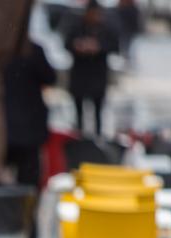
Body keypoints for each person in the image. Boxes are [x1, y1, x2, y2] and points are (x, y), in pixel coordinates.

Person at [2, 38, 56, 238]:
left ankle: (5, 236)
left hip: (1, 131)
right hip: (27, 133)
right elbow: (50, 77)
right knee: (29, 191)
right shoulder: (32, 50)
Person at [65, 0, 118, 138]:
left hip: (97, 77)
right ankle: (78, 139)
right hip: (80, 76)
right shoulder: (77, 26)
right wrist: (78, 46)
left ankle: (98, 140)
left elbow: (114, 45)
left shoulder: (106, 28)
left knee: (98, 113)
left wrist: (98, 47)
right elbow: (67, 42)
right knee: (79, 114)